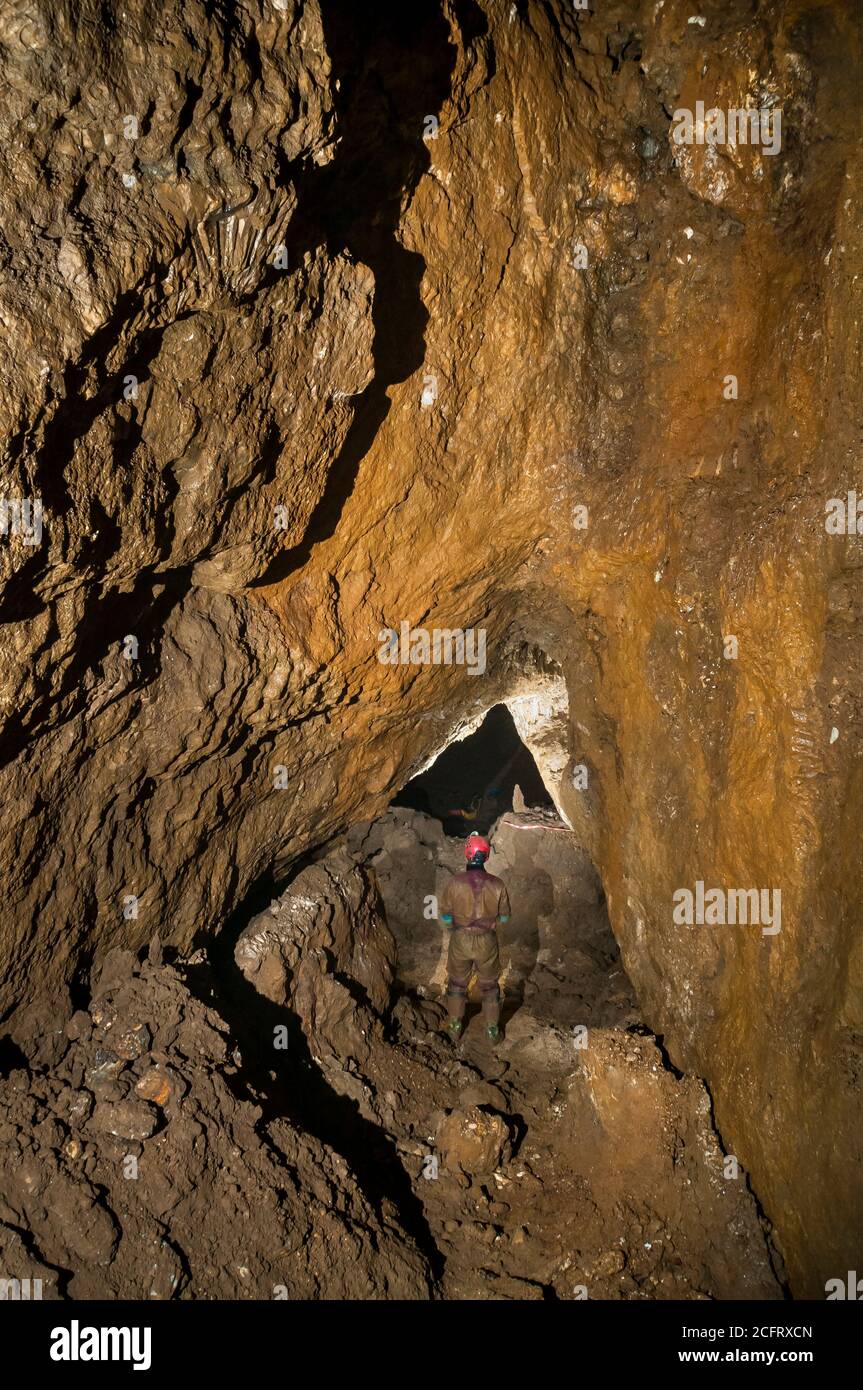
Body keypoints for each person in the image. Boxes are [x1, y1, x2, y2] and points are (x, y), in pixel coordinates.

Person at [439, 832, 511, 1043]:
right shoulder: (498, 884)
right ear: (486, 856)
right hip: (487, 940)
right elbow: (505, 918)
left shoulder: (455, 882)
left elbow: (445, 914)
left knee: (457, 983)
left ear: (467, 854)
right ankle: (492, 1032)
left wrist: (455, 926)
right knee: (489, 986)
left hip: (461, 939)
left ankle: (454, 1027)